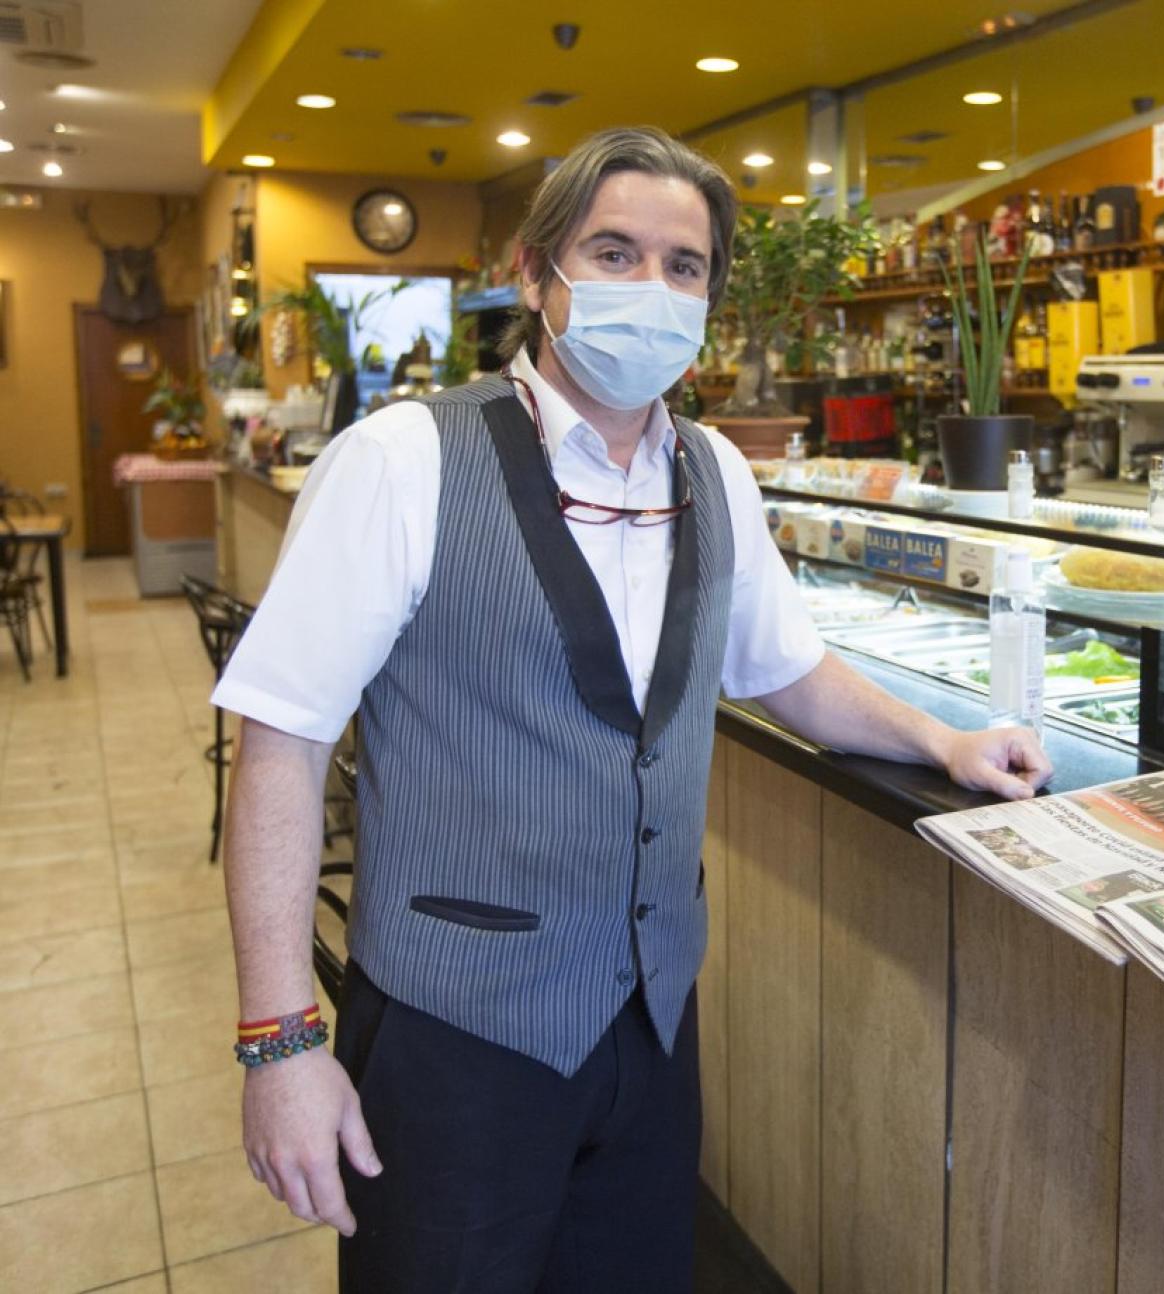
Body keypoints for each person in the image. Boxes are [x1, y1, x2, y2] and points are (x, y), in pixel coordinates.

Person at [213, 126, 1052, 1293]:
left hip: (651, 1027)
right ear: (534, 274)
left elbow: (785, 667)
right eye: (613, 253)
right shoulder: (404, 460)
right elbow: (282, 742)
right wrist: (281, 1042)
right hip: (459, 1032)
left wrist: (943, 739)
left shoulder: (714, 472)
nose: (651, 289)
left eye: (684, 266)